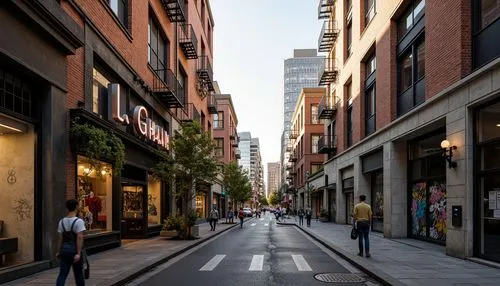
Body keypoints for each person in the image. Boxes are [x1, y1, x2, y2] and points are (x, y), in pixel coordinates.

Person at [56, 199, 86, 286]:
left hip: (64, 250)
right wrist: (78, 253)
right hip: (74, 251)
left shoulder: (61, 221)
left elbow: (60, 238)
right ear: (76, 207)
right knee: (78, 274)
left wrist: (58, 251)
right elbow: (79, 237)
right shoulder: (79, 221)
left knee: (62, 274)